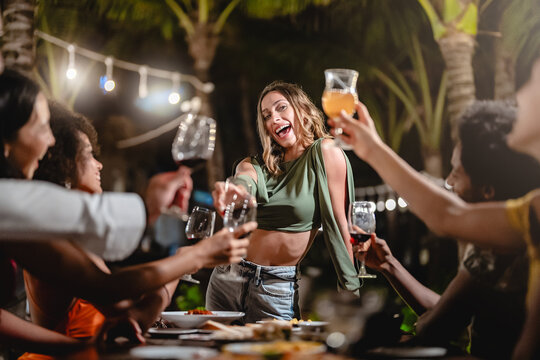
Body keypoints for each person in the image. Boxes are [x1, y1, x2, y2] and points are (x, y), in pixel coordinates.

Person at [0, 70, 254, 355]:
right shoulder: (28, 217)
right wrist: (193, 256)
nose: (49, 142)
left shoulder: (27, 222)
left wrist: (189, 258)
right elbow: (110, 289)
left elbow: (118, 300)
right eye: (41, 126)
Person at [328, 46, 540, 359]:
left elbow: (448, 215)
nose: (521, 95)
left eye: (533, 82)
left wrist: (371, 149)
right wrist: (390, 266)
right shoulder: (528, 214)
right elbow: (448, 310)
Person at [207, 81, 360, 323]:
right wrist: (236, 192)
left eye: (281, 108)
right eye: (267, 116)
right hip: (227, 279)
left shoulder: (325, 152)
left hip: (275, 288)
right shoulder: (255, 164)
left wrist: (351, 291)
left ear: (303, 110)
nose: (274, 119)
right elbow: (244, 181)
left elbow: (339, 225)